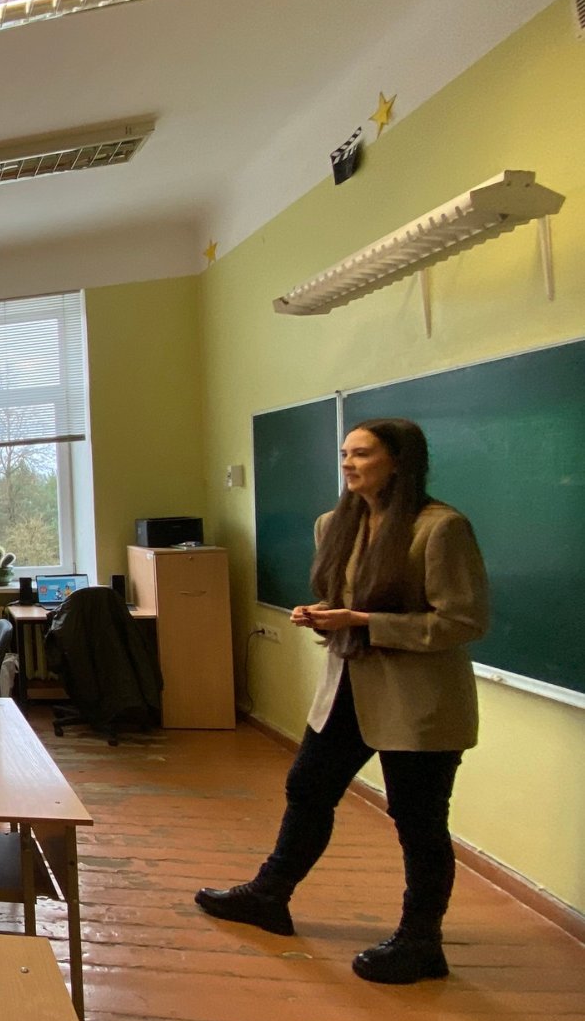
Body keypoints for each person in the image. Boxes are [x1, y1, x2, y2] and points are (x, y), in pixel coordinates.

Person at [196, 418, 489, 984]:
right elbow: (346, 602)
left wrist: (362, 621)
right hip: (346, 688)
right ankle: (269, 895)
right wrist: (323, 615)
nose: (349, 464)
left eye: (363, 454)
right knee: (308, 788)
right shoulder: (333, 524)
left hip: (417, 701)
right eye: (345, 454)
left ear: (399, 462)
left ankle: (421, 942)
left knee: (419, 821)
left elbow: (463, 620)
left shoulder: (440, 528)